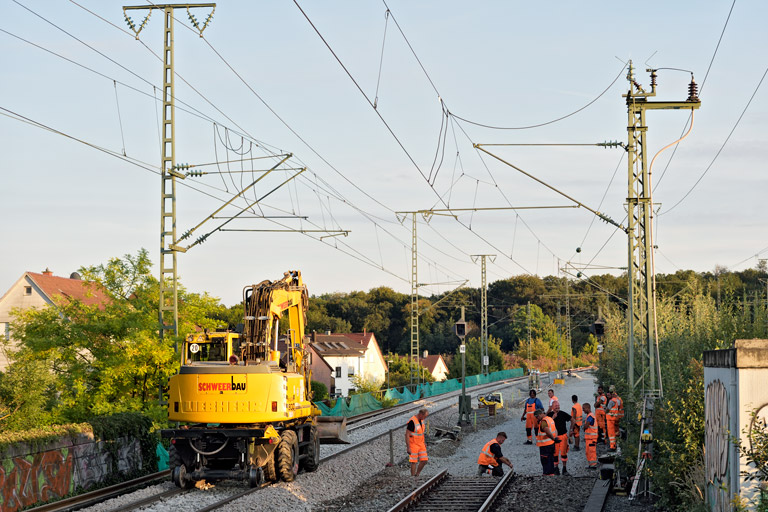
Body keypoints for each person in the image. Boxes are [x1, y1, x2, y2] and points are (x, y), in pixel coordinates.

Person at [547, 400, 572, 475]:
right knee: (555, 453)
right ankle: (556, 468)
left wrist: (571, 429)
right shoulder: (549, 415)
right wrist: (553, 418)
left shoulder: (563, 413)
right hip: (554, 437)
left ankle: (564, 469)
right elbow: (545, 424)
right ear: (552, 408)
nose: (557, 407)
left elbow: (572, 419)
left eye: (558, 406)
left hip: (563, 436)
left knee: (564, 453)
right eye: (556, 406)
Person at [534, 408, 558, 476]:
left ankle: (547, 473)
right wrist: (555, 438)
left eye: (537, 417)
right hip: (551, 443)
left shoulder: (544, 422)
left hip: (545, 445)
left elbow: (547, 431)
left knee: (545, 459)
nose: (537, 418)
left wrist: (553, 438)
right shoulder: (550, 419)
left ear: (540, 414)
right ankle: (551, 473)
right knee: (551, 459)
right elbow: (555, 430)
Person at [406, 408, 429, 476]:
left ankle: (417, 474)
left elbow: (421, 433)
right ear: (421, 414)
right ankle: (413, 477)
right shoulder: (412, 421)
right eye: (425, 416)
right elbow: (407, 434)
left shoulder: (421, 421)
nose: (425, 418)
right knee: (414, 462)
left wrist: (424, 442)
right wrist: (408, 447)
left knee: (424, 460)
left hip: (421, 444)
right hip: (413, 444)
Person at [606, 386, 624, 452]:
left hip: (610, 419)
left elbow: (608, 409)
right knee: (616, 432)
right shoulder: (619, 399)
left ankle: (613, 446)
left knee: (611, 433)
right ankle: (618, 444)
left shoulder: (612, 401)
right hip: (617, 418)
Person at [583, 403, 598, 469]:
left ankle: (593, 464)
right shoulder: (590, 416)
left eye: (584, 408)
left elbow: (586, 426)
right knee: (589, 452)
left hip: (591, 438)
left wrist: (584, 427)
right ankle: (591, 464)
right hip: (590, 438)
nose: (583, 410)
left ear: (588, 408)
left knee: (591, 452)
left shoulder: (590, 416)